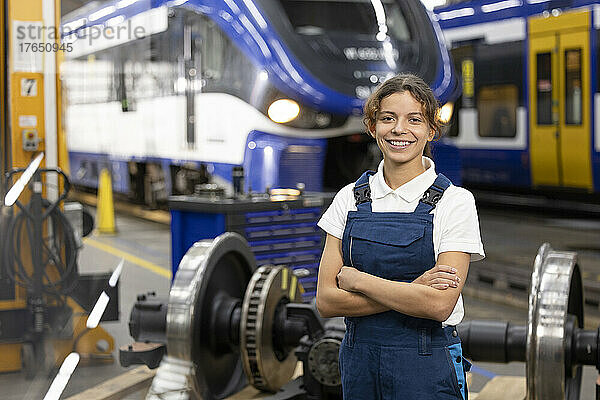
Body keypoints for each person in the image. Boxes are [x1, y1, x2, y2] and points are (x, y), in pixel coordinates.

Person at [315, 73, 485, 400]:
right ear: (372, 127)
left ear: (431, 130)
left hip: (427, 366)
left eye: (414, 120)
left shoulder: (455, 202)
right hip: (359, 365)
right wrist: (412, 292)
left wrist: (359, 280)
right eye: (388, 118)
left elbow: (438, 304)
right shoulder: (348, 198)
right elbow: (326, 300)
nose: (399, 130)